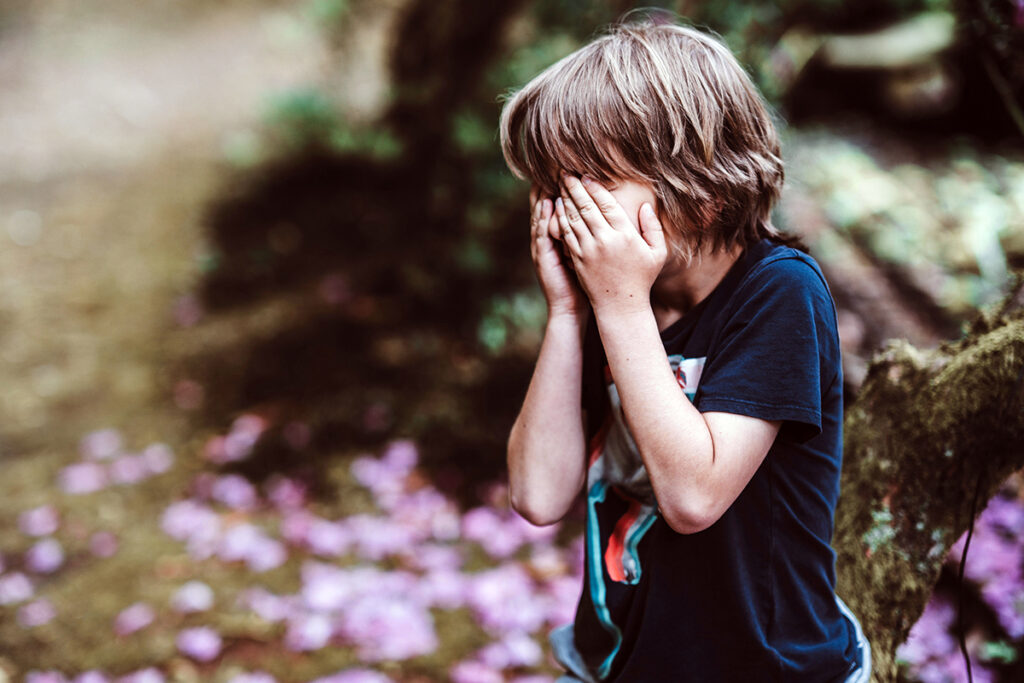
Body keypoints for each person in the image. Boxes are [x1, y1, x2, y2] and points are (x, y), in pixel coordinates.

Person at [499, 14, 872, 683]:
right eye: (555, 186)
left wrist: (618, 305)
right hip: (617, 661)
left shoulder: (779, 292)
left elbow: (694, 496)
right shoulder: (608, 298)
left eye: (590, 184)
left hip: (763, 669)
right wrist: (565, 314)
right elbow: (537, 492)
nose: (569, 210)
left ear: (698, 192)